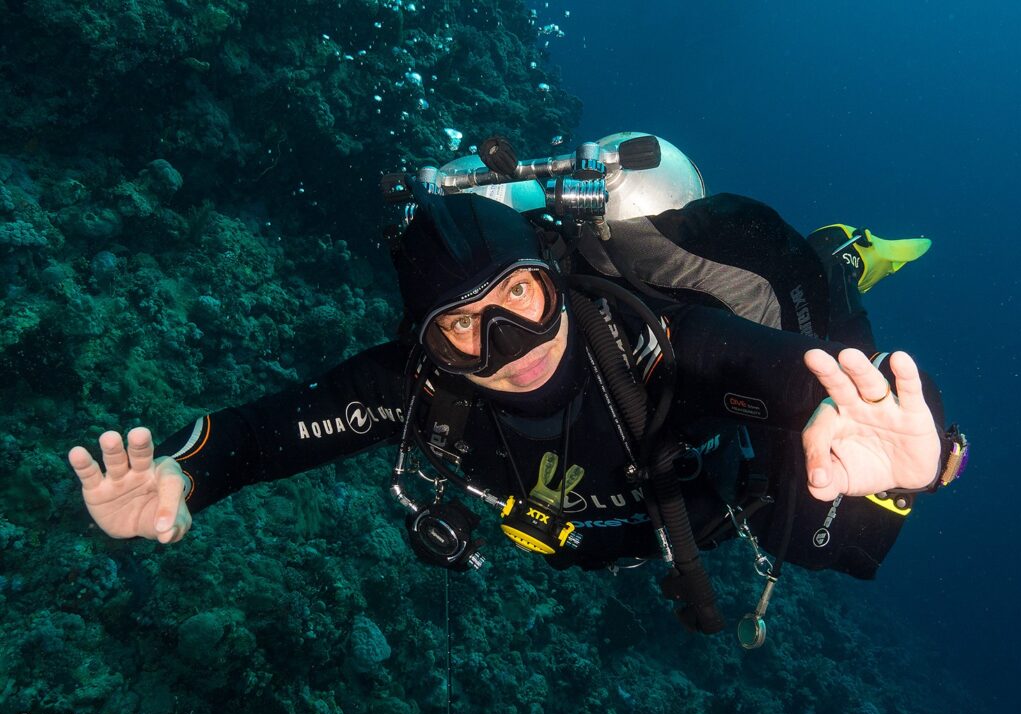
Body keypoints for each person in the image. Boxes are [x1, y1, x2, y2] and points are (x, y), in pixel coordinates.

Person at [67, 163, 966, 637]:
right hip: (623, 519)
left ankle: (840, 254)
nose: (510, 349)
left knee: (821, 529)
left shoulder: (663, 343)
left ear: (555, 285)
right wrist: (188, 477)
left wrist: (897, 456)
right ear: (427, 344)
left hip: (727, 474)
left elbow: (777, 365)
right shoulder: (421, 388)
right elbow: (275, 432)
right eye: (463, 328)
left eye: (521, 304)